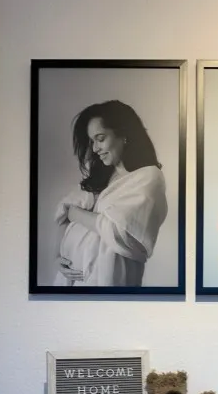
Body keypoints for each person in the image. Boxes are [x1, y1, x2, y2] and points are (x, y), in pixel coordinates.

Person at [54, 100, 168, 286]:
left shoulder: (149, 177)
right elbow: (63, 210)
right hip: (71, 281)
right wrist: (57, 257)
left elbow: (119, 231)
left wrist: (75, 214)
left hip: (111, 280)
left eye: (100, 139)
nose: (95, 149)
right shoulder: (101, 177)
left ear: (123, 135)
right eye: (92, 142)